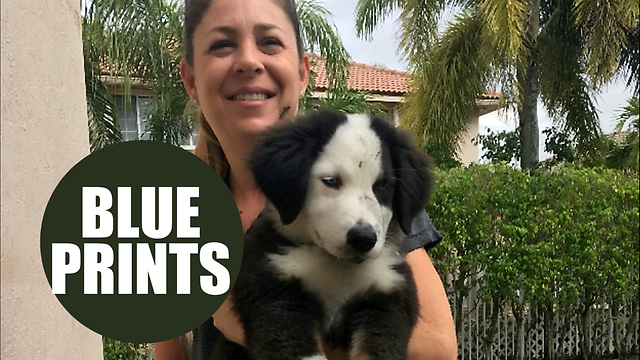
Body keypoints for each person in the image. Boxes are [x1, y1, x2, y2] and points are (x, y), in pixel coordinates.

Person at [155, 0, 458, 359]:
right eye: (222, 44)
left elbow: (437, 348)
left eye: (270, 42)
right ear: (191, 79)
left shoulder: (369, 175)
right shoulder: (176, 208)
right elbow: (168, 347)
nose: (250, 61)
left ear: (301, 73)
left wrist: (247, 321)